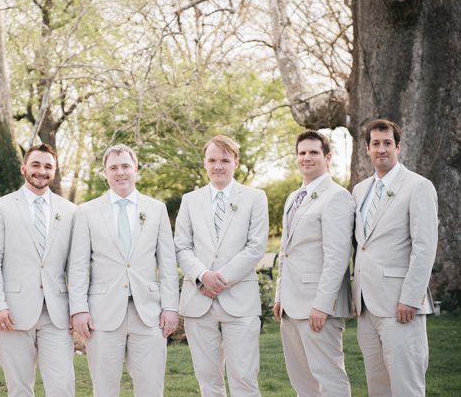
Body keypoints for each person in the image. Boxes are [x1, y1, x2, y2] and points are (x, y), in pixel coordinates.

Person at [68, 144, 179, 397]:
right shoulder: (87, 211)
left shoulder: (156, 209)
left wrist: (171, 307)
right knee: (104, 390)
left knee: (151, 389)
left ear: (135, 169)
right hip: (102, 315)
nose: (120, 172)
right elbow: (78, 266)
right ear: (105, 173)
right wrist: (79, 309)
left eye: (125, 166)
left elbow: (168, 264)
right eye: (114, 167)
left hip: (148, 314)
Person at [0, 144, 77, 396]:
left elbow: (76, 266)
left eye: (48, 166)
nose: (41, 171)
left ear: (54, 171)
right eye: (35, 165)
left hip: (57, 314)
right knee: (19, 389)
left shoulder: (70, 211)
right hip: (12, 313)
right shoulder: (0, 207)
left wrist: (77, 308)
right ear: (24, 168)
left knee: (62, 387)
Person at [175, 135, 268, 397]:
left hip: (240, 301)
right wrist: (203, 275)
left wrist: (219, 279)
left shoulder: (255, 198)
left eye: (225, 160)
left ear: (235, 162)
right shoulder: (190, 200)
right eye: (213, 160)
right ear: (204, 163)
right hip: (198, 302)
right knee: (208, 382)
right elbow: (181, 247)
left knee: (244, 379)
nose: (218, 166)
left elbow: (256, 247)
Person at [352, 119, 438, 397]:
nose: (381, 149)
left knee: (406, 386)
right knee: (378, 387)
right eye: (375, 143)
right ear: (367, 149)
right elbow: (362, 246)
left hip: (400, 304)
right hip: (365, 305)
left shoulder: (418, 186)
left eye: (387, 143)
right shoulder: (359, 190)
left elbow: (424, 246)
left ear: (398, 147)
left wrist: (411, 298)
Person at [273, 130, 355, 396]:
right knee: (303, 383)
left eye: (313, 152)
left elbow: (337, 257)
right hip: (291, 306)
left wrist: (322, 305)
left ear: (327, 157)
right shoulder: (294, 197)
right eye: (302, 153)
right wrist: (280, 296)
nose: (306, 158)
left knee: (329, 379)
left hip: (317, 308)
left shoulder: (337, 196)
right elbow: (286, 252)